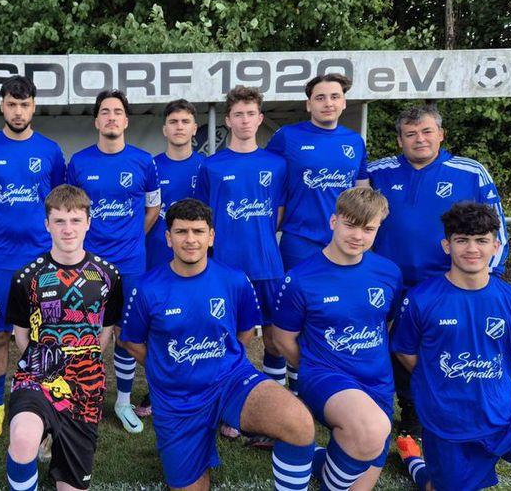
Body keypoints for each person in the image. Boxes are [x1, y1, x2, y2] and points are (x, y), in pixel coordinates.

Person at [119, 198, 316, 491]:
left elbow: (246, 330)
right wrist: (166, 367)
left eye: (198, 231)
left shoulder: (234, 280)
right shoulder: (147, 288)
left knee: (299, 422)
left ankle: (314, 461)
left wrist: (226, 360)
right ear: (168, 238)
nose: (190, 239)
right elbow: (131, 341)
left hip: (230, 381)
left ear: (211, 236)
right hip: (178, 400)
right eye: (181, 231)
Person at [367, 104, 510, 435]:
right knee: (390, 346)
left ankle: (443, 407)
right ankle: (395, 407)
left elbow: (498, 230)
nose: (420, 139)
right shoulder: (377, 172)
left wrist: (487, 279)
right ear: (400, 139)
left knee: (441, 347)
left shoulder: (470, 172)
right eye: (411, 134)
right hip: (389, 280)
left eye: (427, 131)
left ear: (441, 134)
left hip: (445, 280)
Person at [391, 202, 511, 491]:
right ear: (447, 245)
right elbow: (405, 351)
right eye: (462, 240)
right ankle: (412, 459)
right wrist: (439, 378)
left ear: (496, 245)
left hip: (506, 413)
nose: (472, 249)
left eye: (481, 240)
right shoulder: (421, 299)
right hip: (448, 422)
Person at [272, 187, 403, 491]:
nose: (358, 236)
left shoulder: (389, 273)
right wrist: (314, 366)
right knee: (372, 429)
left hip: (378, 383)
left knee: (360, 463)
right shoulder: (301, 278)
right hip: (326, 376)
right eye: (350, 225)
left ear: (378, 229)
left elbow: (386, 322)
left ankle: (319, 460)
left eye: (368, 229)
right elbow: (282, 339)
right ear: (333, 222)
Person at [5, 185, 123, 491]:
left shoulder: (109, 275)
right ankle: (39, 429)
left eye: (75, 220)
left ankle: (53, 436)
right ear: (47, 224)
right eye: (59, 221)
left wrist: (81, 360)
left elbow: (106, 331)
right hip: (38, 376)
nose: (67, 229)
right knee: (23, 438)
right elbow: (22, 336)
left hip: (86, 386)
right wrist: (47, 365)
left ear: (88, 222)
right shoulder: (26, 277)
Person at [0, 75, 66, 438]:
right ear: (2, 106)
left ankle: (44, 401)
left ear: (33, 106)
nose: (18, 111)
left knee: (45, 334)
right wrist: (2, 229)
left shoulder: (50, 151)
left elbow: (58, 202)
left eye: (24, 105)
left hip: (42, 258)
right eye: (11, 104)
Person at [266, 73, 369, 392]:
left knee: (330, 318)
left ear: (344, 102)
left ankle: (309, 391)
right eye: (320, 97)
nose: (328, 103)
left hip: (343, 246)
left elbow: (362, 194)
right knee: (287, 319)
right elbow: (267, 182)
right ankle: (275, 395)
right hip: (300, 241)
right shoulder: (287, 137)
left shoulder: (354, 142)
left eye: (335, 96)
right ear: (308, 103)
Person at [66, 90, 161, 433]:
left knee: (126, 332)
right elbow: (70, 211)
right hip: (89, 264)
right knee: (85, 330)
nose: (111, 117)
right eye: (105, 112)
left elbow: (153, 207)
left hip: (131, 263)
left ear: (126, 120)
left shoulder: (144, 161)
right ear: (96, 121)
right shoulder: (78, 163)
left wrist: (133, 236)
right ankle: (82, 397)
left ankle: (122, 401)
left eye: (117, 112)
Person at [193, 87, 288, 419]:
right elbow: (203, 218)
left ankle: (275, 407)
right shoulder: (211, 166)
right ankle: (226, 405)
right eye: (238, 114)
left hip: (267, 266)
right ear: (228, 120)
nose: (245, 120)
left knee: (275, 340)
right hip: (226, 268)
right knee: (229, 339)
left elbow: (279, 213)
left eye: (250, 114)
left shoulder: (277, 164)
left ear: (260, 119)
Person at [145, 98, 203, 271]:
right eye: (173, 122)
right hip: (157, 255)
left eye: (185, 121)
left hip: (196, 255)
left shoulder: (207, 167)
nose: (179, 127)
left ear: (194, 129)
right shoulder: (150, 167)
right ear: (165, 130)